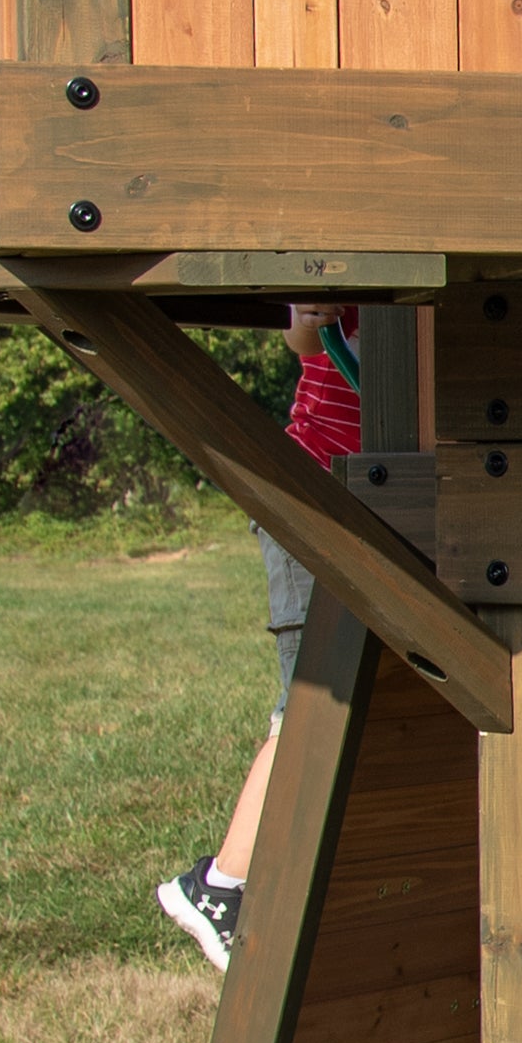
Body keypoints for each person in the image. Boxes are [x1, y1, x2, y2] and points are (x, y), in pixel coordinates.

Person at [157, 303, 363, 967]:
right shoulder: (366, 246)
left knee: (343, 703)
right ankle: (219, 885)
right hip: (312, 491)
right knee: (312, 705)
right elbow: (302, 332)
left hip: (361, 502)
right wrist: (315, 311)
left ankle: (266, 878)